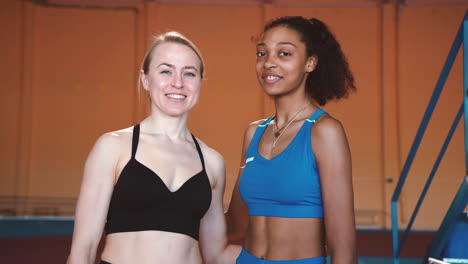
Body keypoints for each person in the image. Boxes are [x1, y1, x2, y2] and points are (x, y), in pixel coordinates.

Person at [68, 31, 240, 264]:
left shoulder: (212, 162)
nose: (177, 83)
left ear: (200, 82)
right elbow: (84, 250)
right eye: (166, 71)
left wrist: (283, 255)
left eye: (189, 73)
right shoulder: (113, 147)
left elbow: (217, 254)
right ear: (146, 79)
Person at [226, 16, 357, 264]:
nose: (268, 63)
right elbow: (236, 221)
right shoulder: (254, 133)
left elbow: (344, 249)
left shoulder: (324, 131)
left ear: (310, 63)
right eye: (262, 53)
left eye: (284, 53)